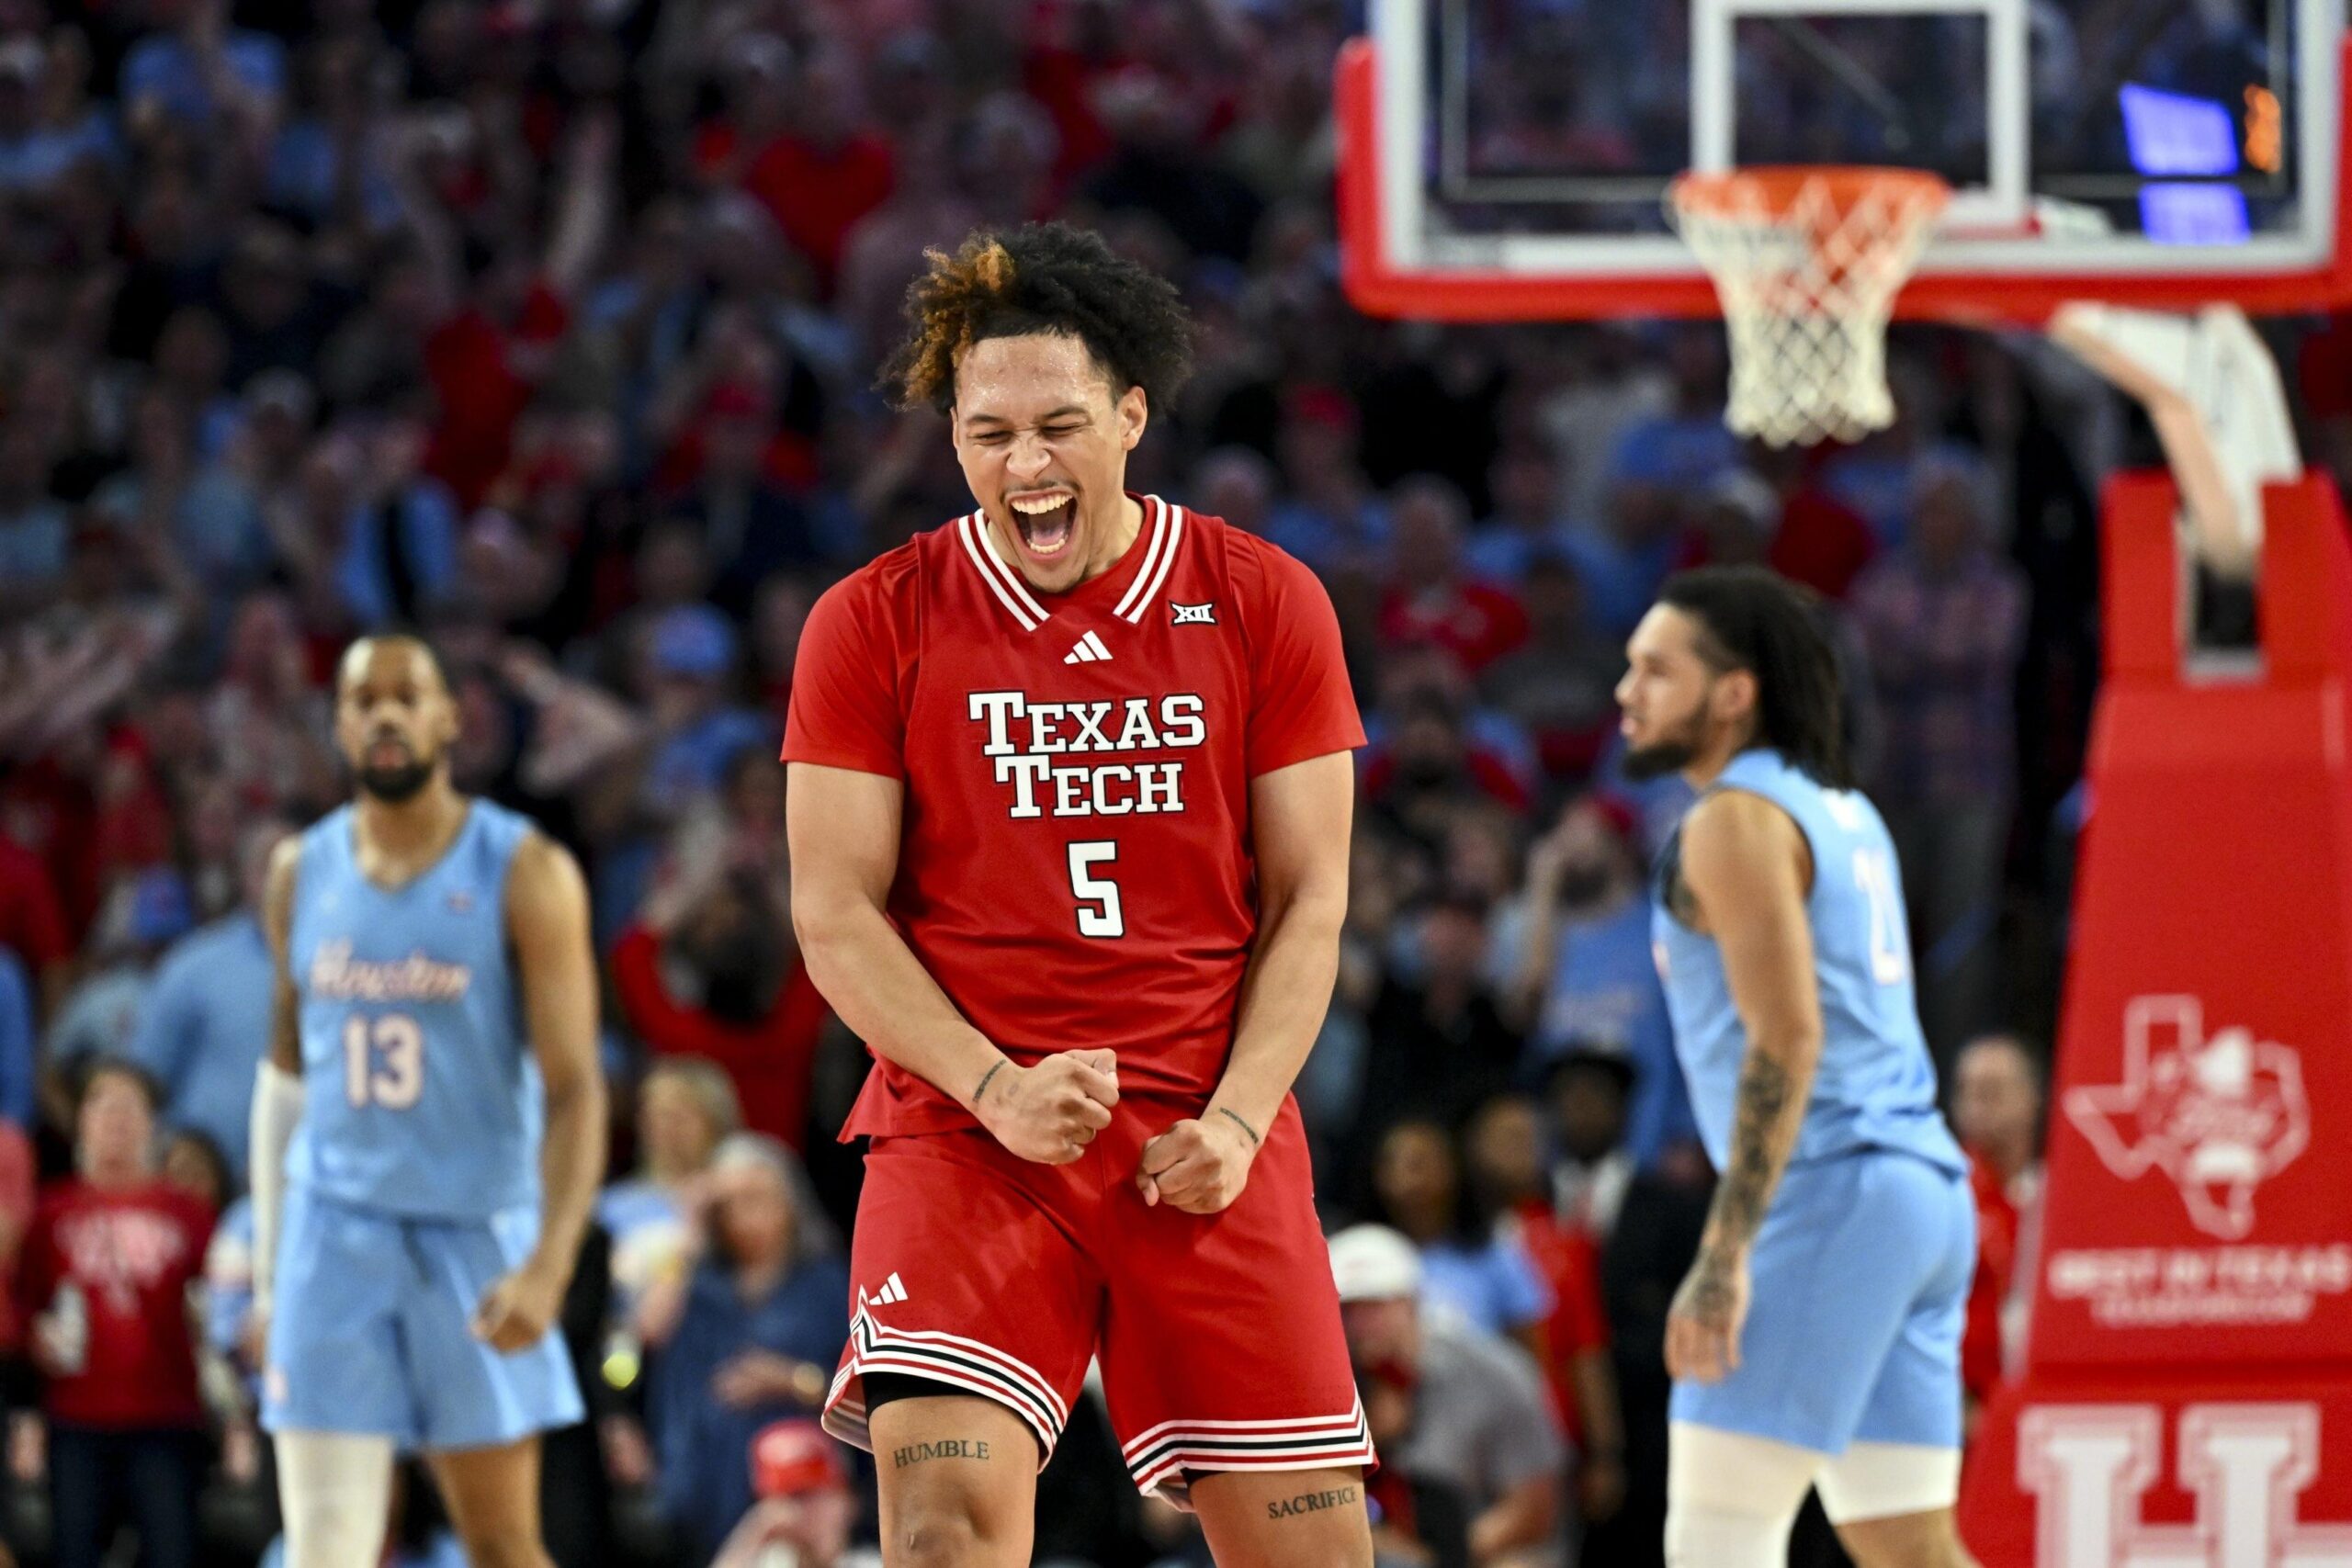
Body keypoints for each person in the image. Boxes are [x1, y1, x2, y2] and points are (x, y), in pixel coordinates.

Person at [784, 222, 1374, 1565]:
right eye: (989, 435)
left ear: (1131, 417)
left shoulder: (1264, 598)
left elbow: (1312, 901)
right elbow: (833, 913)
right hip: (969, 1129)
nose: (1026, 464)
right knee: (939, 1536)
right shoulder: (874, 617)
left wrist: (1236, 1115)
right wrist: (993, 1085)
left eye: (1059, 425)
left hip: (1207, 1134)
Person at [1616, 566, 1976, 1568]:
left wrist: (1725, 1254)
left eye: (1655, 671)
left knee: (1715, 1548)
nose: (1624, 692)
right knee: (1910, 1549)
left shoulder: (1732, 819)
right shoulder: (1840, 807)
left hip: (1831, 1194)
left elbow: (1788, 1038)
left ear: (1733, 693)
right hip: (1921, 1196)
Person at [247, 635, 608, 1568]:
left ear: (451, 718)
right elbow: (285, 1074)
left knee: (499, 1544)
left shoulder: (524, 870)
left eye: (407, 696)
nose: (385, 715)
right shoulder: (299, 872)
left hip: (473, 1235)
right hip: (335, 1231)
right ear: (337, 725)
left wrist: (548, 1266)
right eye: (363, 699)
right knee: (325, 1545)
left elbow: (575, 1090)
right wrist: (269, 1272)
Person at [17, 1060, 216, 1568]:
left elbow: (217, 1309)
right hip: (76, 1420)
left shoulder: (188, 1214)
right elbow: (24, 1304)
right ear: (82, 1121)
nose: (115, 1120)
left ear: (152, 1123)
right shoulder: (52, 1212)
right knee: (73, 1552)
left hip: (168, 1418)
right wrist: (38, 1349)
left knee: (173, 1553)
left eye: (129, 1107)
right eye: (102, 1106)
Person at [1329, 1224, 1565, 1568]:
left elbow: (1533, 1509)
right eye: (1347, 1311)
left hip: (1479, 1548)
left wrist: (1435, 1557)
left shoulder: (1494, 1373)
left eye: (1374, 1307)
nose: (1359, 1325)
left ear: (1412, 1303)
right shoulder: (1323, 1380)